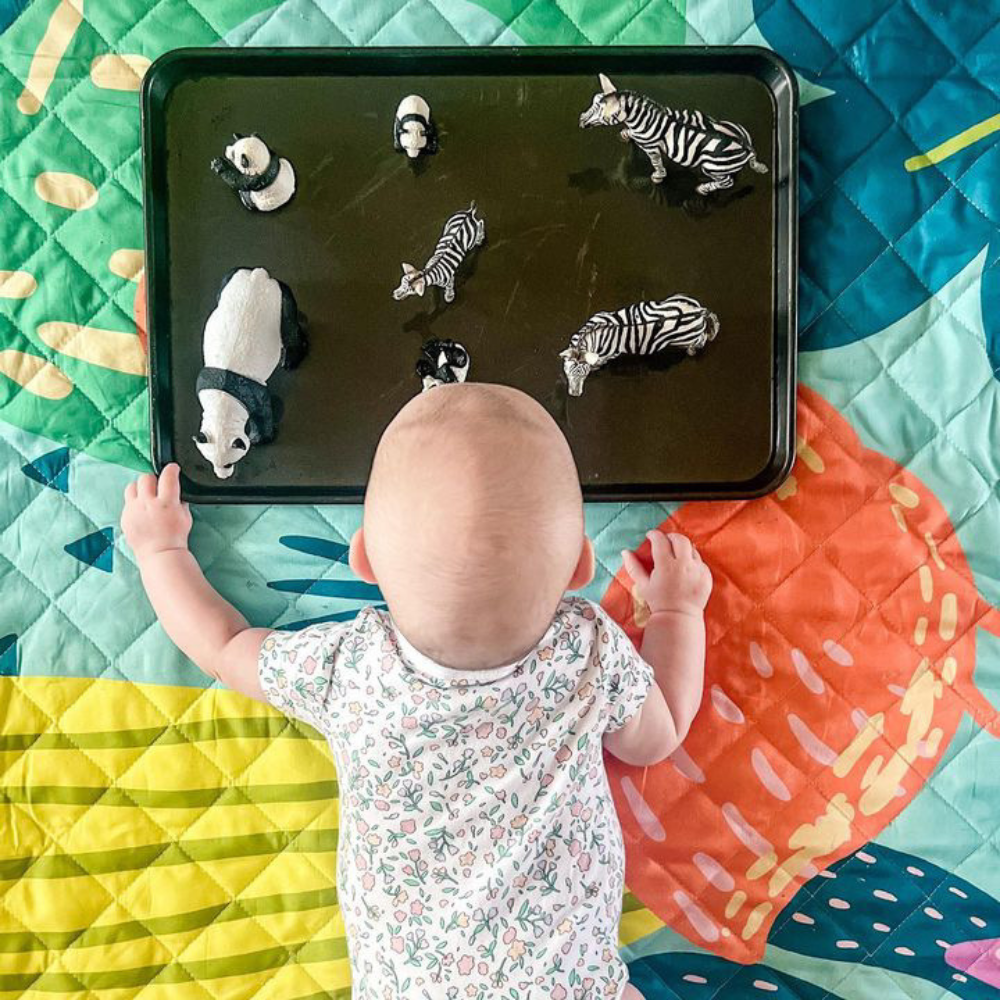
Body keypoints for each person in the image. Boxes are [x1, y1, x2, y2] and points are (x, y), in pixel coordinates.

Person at [121, 382, 712, 999]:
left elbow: (221, 646)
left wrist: (160, 551)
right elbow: (657, 735)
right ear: (580, 569)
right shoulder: (586, 651)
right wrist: (677, 615)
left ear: (365, 561)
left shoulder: (349, 669)